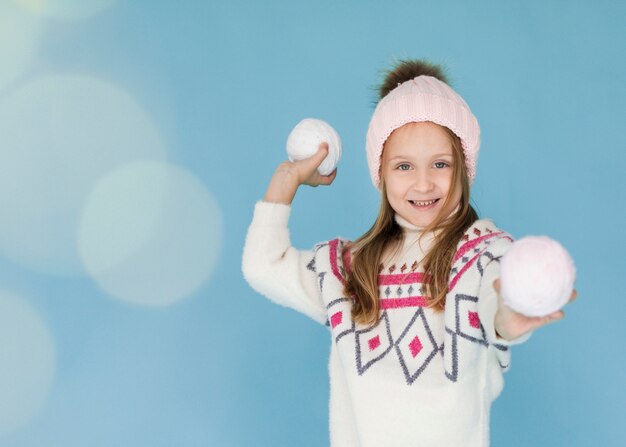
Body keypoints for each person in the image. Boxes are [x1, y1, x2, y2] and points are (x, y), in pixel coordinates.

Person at [242, 59, 575, 447]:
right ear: (380, 174)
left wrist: (507, 319)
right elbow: (262, 266)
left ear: (464, 170)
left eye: (440, 164)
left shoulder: (482, 254)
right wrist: (287, 180)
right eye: (403, 166)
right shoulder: (349, 270)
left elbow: (492, 305)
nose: (423, 182)